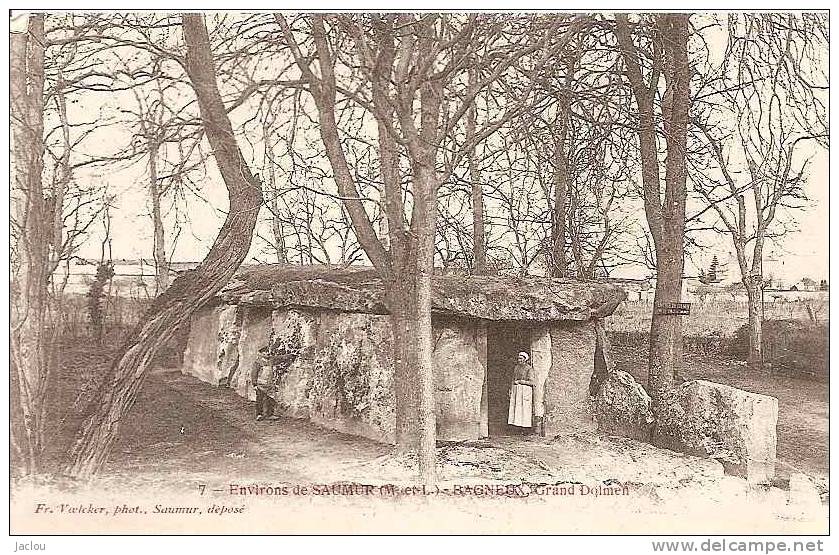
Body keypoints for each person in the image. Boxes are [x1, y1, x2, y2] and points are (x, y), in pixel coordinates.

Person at [507, 351, 535, 434]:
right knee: (516, 409)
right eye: (518, 358)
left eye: (521, 358)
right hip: (517, 391)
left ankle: (526, 429)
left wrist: (520, 381)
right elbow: (513, 379)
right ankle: (517, 428)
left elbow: (532, 382)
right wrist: (511, 389)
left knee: (525, 409)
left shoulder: (529, 369)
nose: (519, 360)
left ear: (525, 359)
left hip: (525, 391)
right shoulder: (516, 368)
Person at [251, 346, 278, 421]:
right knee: (260, 399)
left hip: (269, 384)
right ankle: (259, 414)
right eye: (265, 352)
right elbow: (254, 373)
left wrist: (291, 356)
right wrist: (254, 384)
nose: (267, 353)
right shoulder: (258, 362)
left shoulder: (271, 360)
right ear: (261, 353)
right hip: (260, 385)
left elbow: (280, 358)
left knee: (271, 399)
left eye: (268, 352)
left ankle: (270, 414)